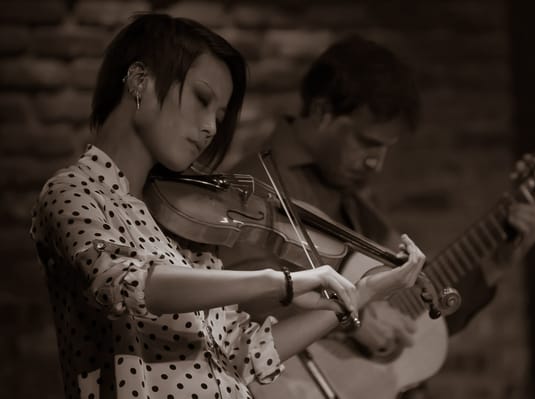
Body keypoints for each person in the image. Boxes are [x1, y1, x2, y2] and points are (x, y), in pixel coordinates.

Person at [28, 15, 427, 399]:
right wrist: (282, 281)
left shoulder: (178, 225)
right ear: (139, 81)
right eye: (202, 100)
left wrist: (359, 296)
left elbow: (245, 351)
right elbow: (126, 284)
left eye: (220, 115)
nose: (212, 128)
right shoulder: (73, 191)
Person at [222, 35, 535, 398]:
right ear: (320, 112)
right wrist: (346, 319)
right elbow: (237, 297)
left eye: (386, 149)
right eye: (367, 143)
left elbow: (417, 319)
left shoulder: (357, 199)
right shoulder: (252, 185)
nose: (376, 163)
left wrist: (495, 264)